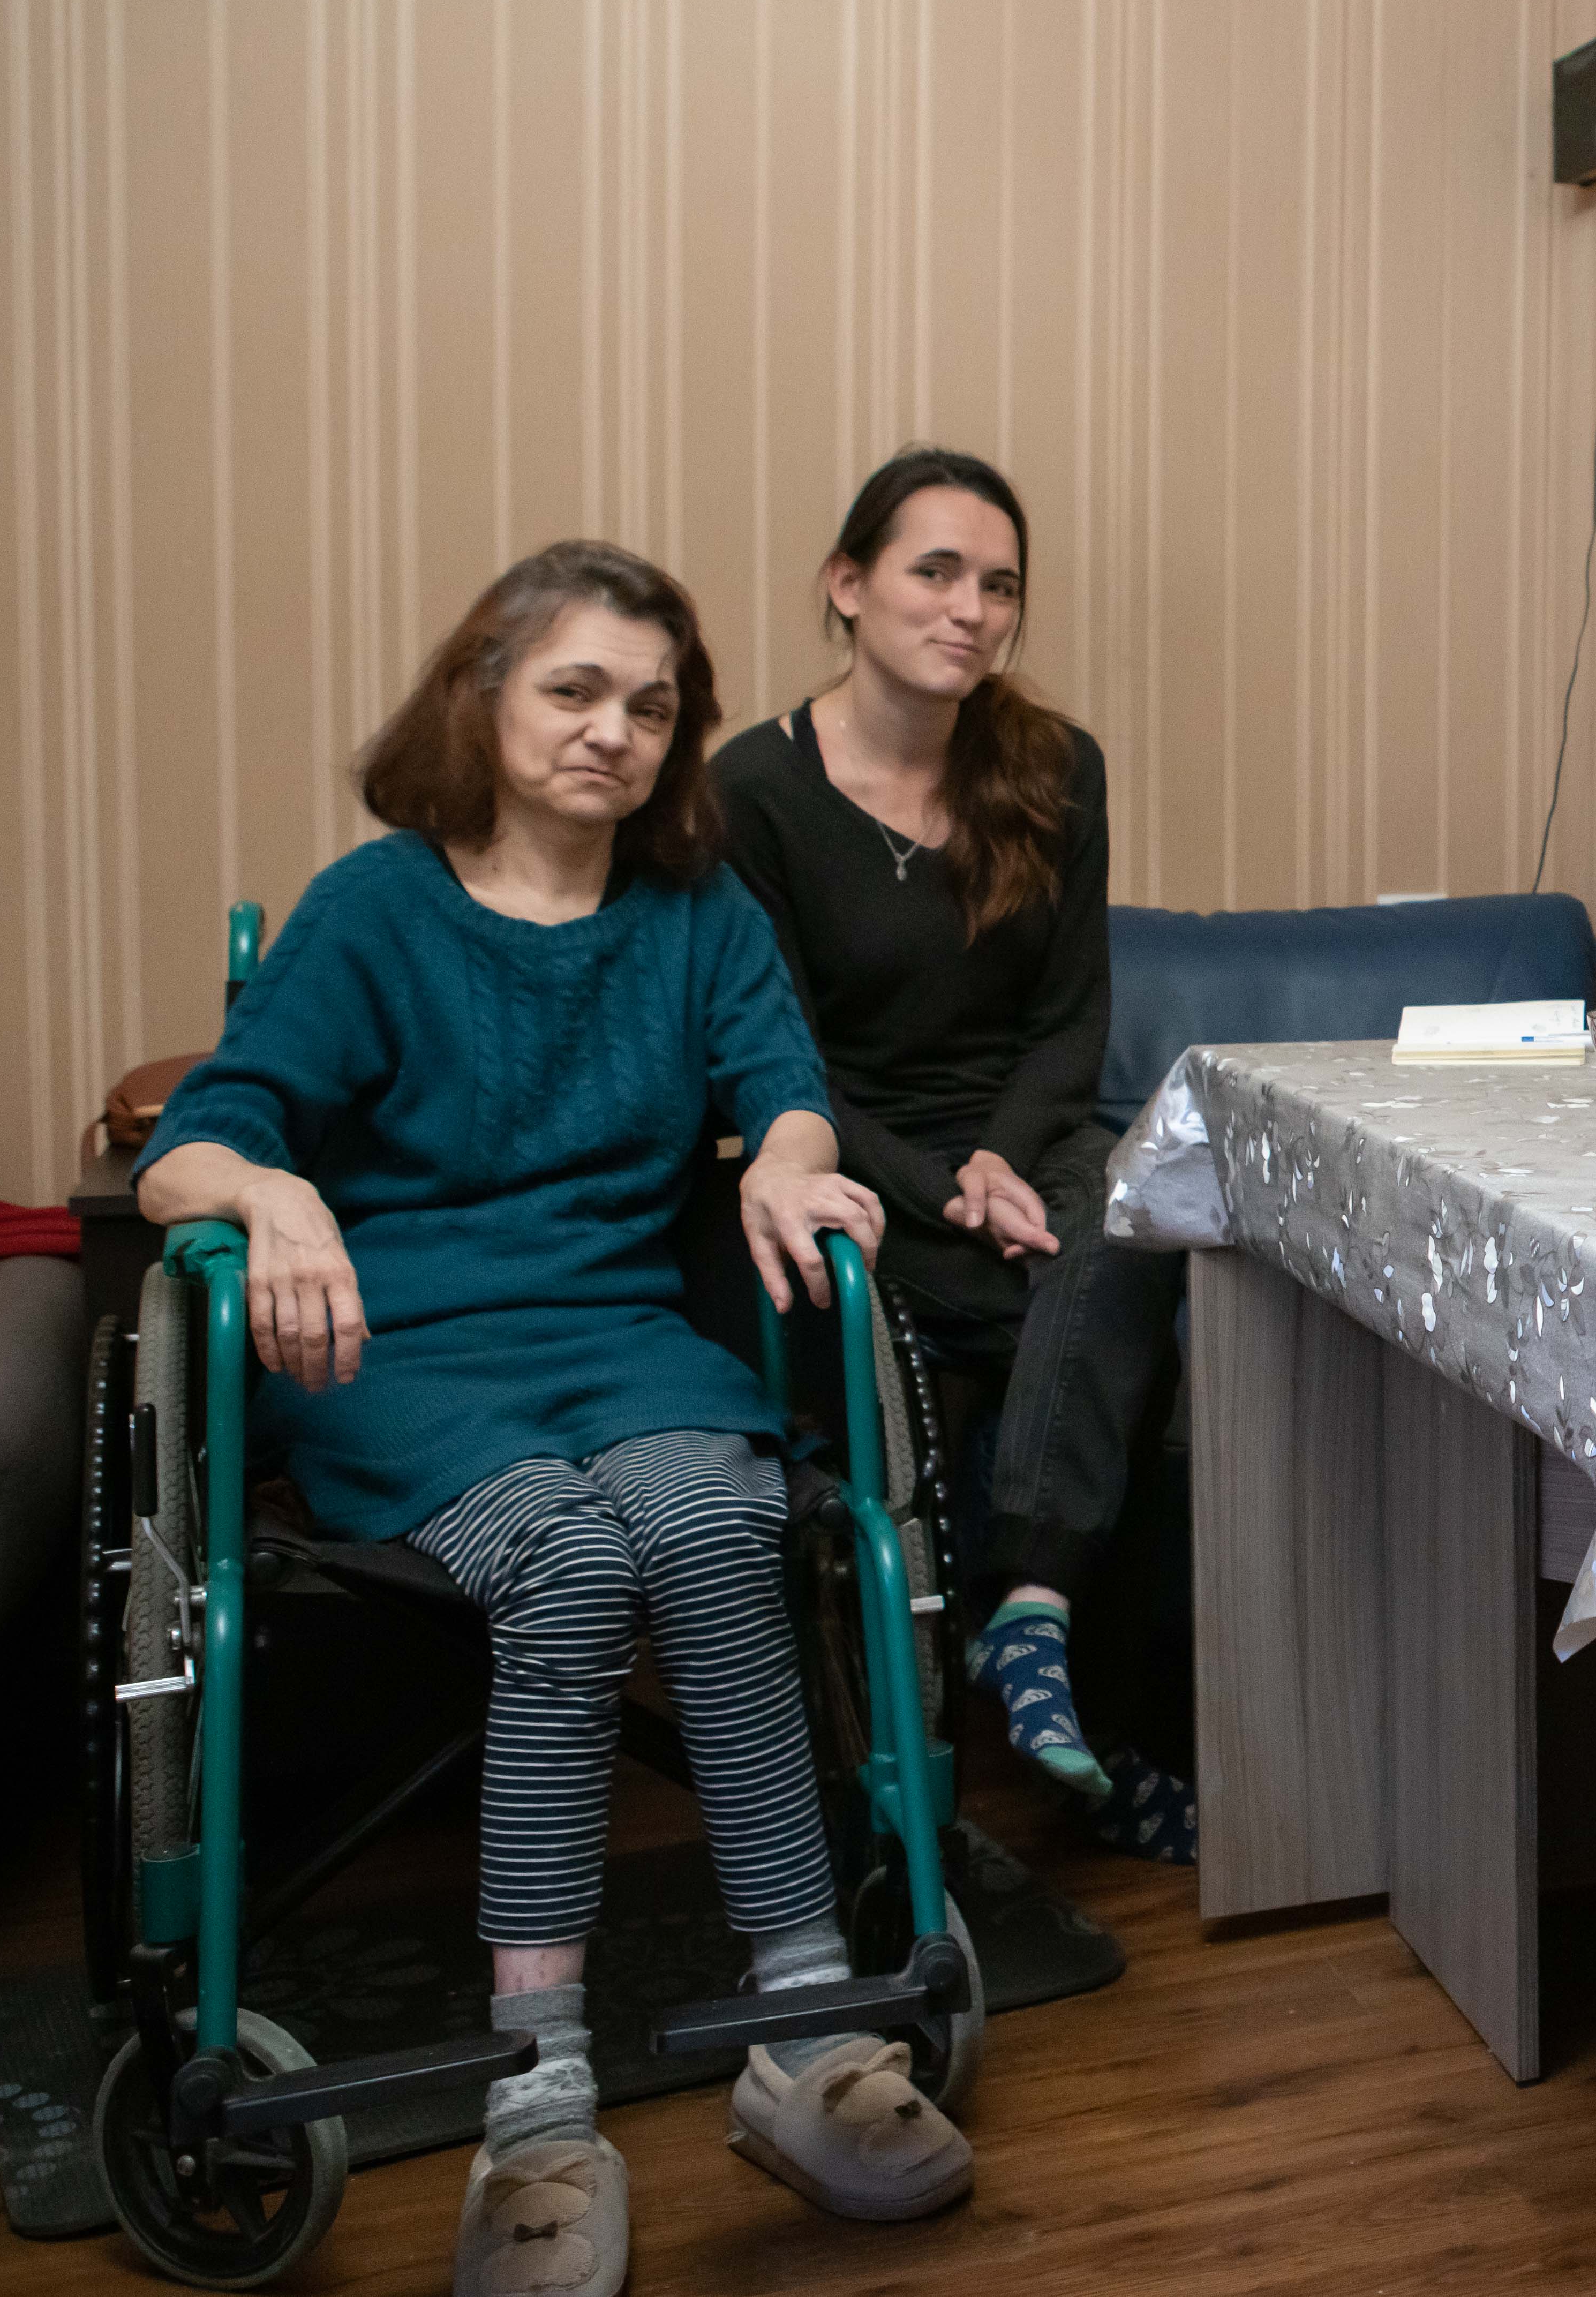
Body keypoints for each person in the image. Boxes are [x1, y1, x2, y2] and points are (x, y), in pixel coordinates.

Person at [141, 542, 976, 2297]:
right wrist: (279, 1204)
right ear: (489, 698)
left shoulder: (695, 917)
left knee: (715, 1526)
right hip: (411, 1358)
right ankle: (539, 2100)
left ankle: (806, 2024)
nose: (617, 730)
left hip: (619, 1339)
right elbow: (193, 1140)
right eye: (576, 689)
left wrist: (803, 1172)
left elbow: (788, 1097)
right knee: (575, 1567)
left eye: (653, 704)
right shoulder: (376, 908)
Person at [713, 449, 1193, 1862]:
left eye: (1000, 585)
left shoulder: (1055, 768)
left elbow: (1070, 1019)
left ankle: (1030, 1617)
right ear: (847, 588)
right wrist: (938, 1184)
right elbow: (775, 1051)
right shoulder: (752, 792)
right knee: (1118, 1357)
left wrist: (996, 1157)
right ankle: (1086, 1743)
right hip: (848, 1162)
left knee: (1141, 1222)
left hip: (1027, 1143)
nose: (971, 610)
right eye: (935, 572)